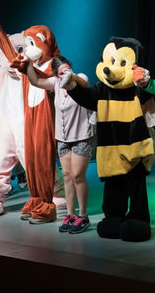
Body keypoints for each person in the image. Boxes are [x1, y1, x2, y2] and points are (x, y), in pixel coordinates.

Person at [26, 55, 94, 233]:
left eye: (67, 68)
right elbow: (35, 81)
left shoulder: (80, 78)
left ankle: (83, 215)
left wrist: (71, 76)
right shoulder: (55, 83)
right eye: (62, 71)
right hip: (63, 138)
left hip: (81, 135)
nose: (65, 72)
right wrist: (27, 65)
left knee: (78, 175)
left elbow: (84, 83)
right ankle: (71, 214)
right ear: (56, 74)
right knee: (67, 176)